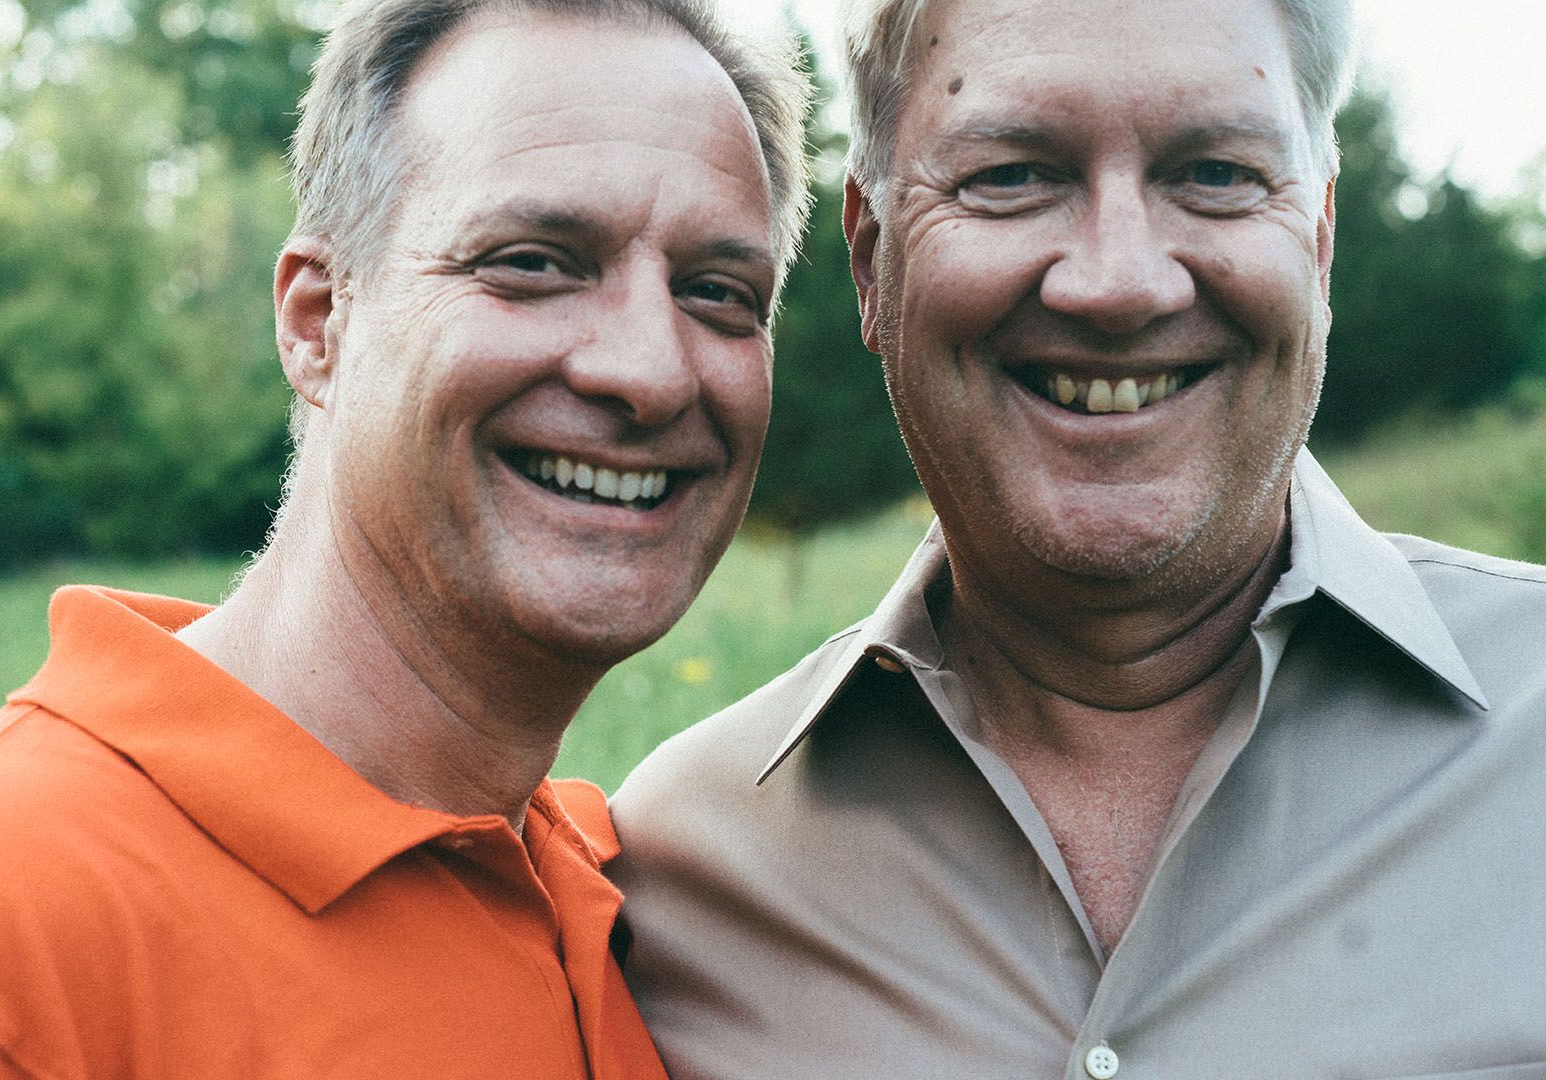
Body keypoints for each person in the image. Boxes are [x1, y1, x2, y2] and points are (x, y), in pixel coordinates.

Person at [0, 1, 810, 1076]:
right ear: (319, 323)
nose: (649, 370)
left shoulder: (644, 921)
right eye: (532, 264)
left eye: (717, 292)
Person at [610, 0, 1546, 1075]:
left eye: (1218, 174)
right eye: (1011, 175)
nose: (1119, 283)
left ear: (1320, 239)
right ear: (870, 261)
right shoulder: (674, 877)